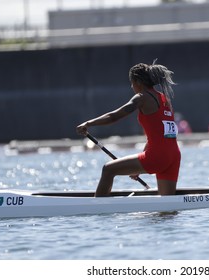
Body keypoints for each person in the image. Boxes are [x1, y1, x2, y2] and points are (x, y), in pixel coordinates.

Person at [76, 60, 181, 197]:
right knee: (167, 207)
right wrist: (139, 167)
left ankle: (97, 210)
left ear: (138, 82)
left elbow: (114, 116)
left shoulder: (141, 97)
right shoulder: (164, 99)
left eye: (132, 83)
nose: (132, 87)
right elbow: (159, 135)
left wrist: (88, 124)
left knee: (108, 169)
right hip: (173, 156)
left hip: (157, 157)